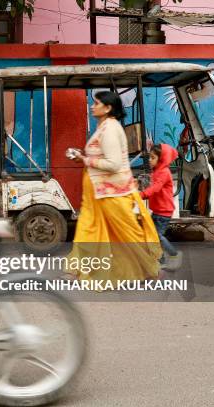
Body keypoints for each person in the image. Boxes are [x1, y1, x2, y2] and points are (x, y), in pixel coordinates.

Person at [67, 91, 161, 283]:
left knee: (126, 234)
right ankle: (81, 270)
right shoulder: (103, 127)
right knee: (90, 229)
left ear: (108, 108)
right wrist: (83, 157)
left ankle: (151, 270)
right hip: (99, 193)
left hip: (113, 194)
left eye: (96, 103)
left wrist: (85, 159)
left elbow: (113, 164)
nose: (92, 106)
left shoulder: (110, 129)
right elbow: (101, 156)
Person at [140, 144, 183, 269]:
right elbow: (152, 186)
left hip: (163, 212)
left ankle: (174, 255)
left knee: (157, 236)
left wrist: (142, 195)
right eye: (149, 157)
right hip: (159, 210)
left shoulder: (164, 172)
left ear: (161, 159)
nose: (149, 160)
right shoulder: (158, 171)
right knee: (152, 235)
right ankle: (161, 260)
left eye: (152, 158)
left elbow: (155, 188)